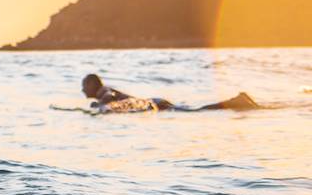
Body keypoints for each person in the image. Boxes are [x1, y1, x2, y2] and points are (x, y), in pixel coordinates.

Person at [81, 73, 258, 112]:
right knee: (195, 111)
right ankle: (235, 101)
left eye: (84, 85)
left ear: (92, 84)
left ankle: (235, 102)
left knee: (196, 111)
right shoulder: (104, 90)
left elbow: (109, 97)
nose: (82, 90)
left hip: (154, 104)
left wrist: (100, 105)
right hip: (154, 103)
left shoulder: (103, 90)